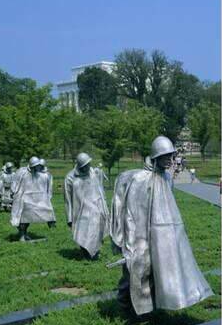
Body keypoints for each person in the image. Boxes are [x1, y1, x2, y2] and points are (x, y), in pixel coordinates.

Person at [111, 135, 213, 315]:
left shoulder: (167, 177)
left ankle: (151, 308)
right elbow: (131, 214)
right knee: (137, 269)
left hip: (165, 234)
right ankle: (125, 307)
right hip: (142, 233)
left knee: (160, 272)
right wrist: (130, 244)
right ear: (156, 157)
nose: (170, 160)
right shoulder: (141, 179)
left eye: (171, 156)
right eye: (166, 156)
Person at [64, 153, 110, 259]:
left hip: (95, 208)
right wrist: (69, 217)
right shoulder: (70, 178)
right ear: (80, 165)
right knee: (83, 233)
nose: (87, 167)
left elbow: (99, 190)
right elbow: (67, 199)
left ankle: (95, 251)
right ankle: (85, 252)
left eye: (88, 164)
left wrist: (103, 205)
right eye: (84, 166)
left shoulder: (92, 173)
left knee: (96, 230)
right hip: (80, 211)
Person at [10, 156, 56, 241]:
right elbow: (15, 183)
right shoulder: (22, 172)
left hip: (32, 199)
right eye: (36, 166)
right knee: (23, 219)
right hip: (22, 199)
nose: (38, 167)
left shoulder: (39, 175)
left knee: (29, 217)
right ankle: (22, 235)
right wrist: (14, 193)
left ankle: (24, 233)